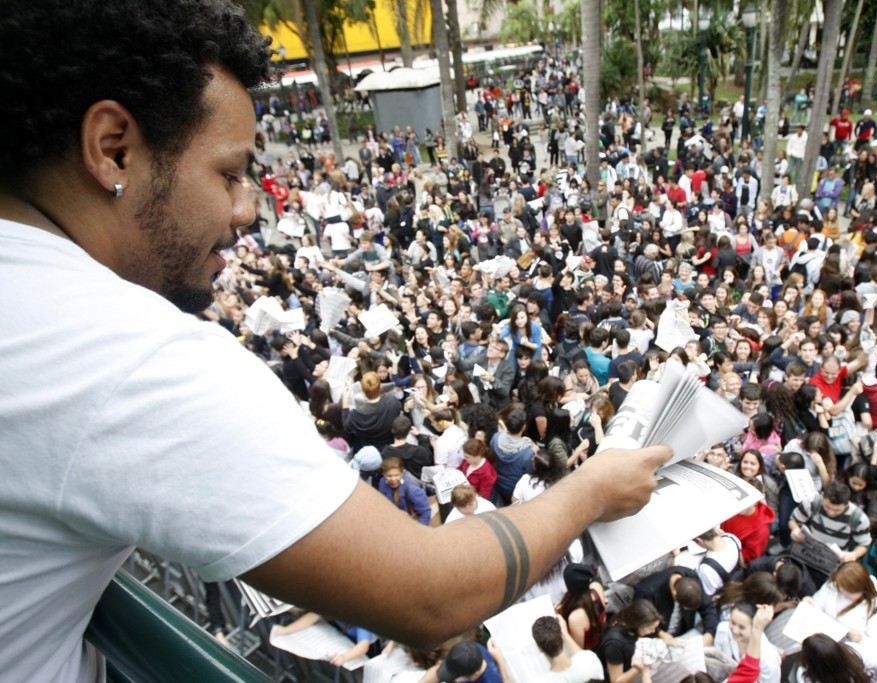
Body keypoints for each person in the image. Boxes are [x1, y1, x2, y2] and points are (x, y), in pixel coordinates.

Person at [0, 3, 672, 680]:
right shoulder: (128, 356)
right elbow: (430, 591)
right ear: (114, 146)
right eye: (229, 174)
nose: (248, 208)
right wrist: (590, 489)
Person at [532, 615, 605, 682]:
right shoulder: (590, 660)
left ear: (539, 648)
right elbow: (582, 655)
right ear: (562, 637)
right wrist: (565, 634)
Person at [378, 457, 432, 525]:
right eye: (389, 476)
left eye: (396, 475)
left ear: (402, 473)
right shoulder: (382, 483)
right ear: (384, 475)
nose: (393, 479)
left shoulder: (411, 490)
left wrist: (417, 531)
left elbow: (425, 512)